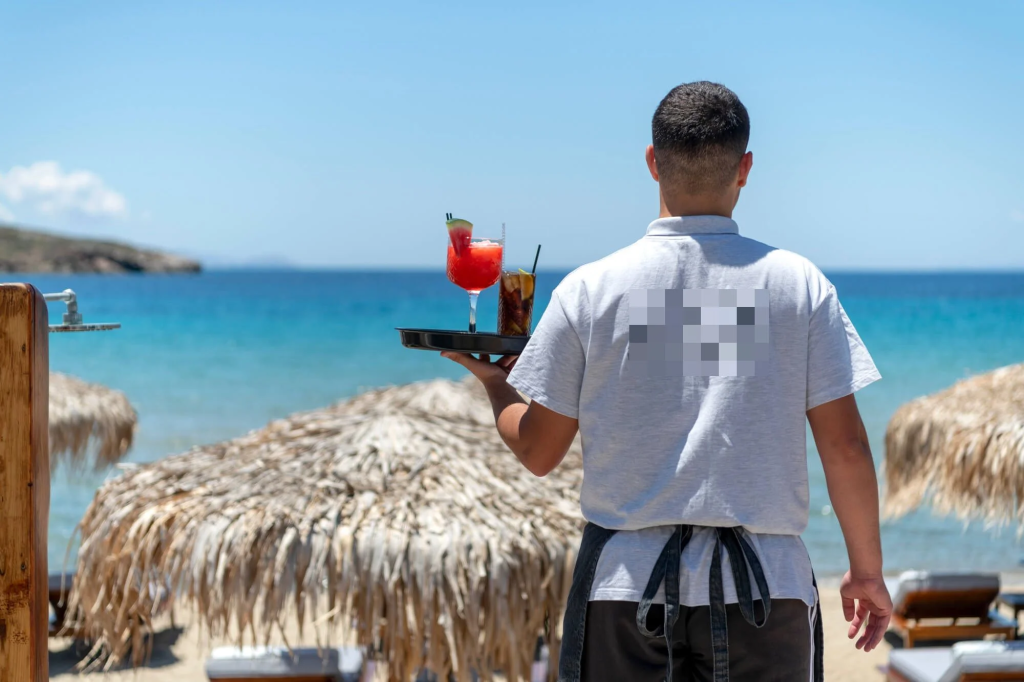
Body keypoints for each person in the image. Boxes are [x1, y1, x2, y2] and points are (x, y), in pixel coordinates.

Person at [443, 81, 892, 682]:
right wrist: (866, 572)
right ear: (745, 168)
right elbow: (845, 447)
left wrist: (497, 386)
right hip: (768, 587)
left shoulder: (590, 290)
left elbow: (539, 451)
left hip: (625, 588)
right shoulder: (798, 285)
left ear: (653, 162)